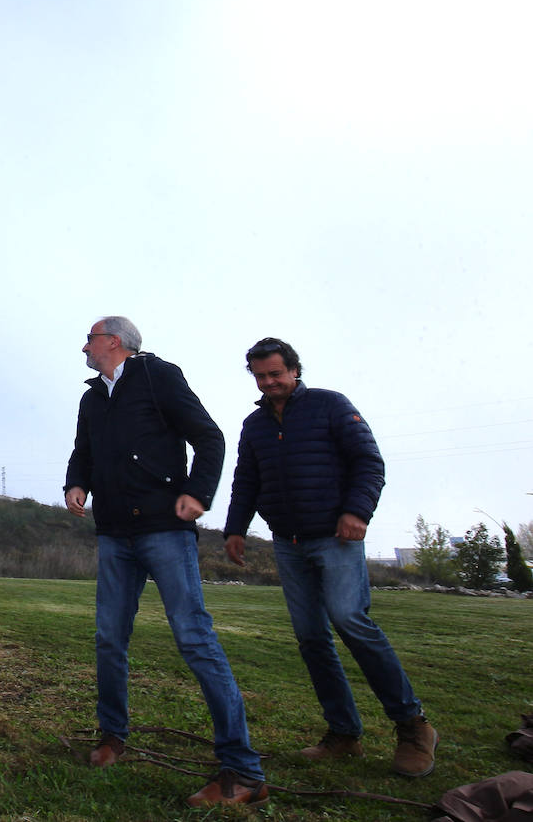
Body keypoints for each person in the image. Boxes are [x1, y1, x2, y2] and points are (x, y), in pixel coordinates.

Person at [64, 316, 266, 808]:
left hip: (164, 531)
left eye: (90, 339)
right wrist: (76, 481)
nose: (83, 347)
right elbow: (83, 451)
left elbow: (210, 438)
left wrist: (198, 493)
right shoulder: (92, 398)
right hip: (115, 534)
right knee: (109, 638)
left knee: (194, 639)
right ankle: (113, 734)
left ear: (114, 342)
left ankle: (242, 770)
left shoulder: (159, 377)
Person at [223, 337, 436, 778]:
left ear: (295, 370)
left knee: (350, 620)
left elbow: (368, 462)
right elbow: (246, 479)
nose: (269, 382)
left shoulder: (331, 405)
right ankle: (343, 733)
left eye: (276, 373)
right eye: (261, 376)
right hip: (289, 542)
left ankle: (413, 726)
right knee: (311, 637)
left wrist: (357, 512)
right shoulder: (254, 424)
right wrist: (235, 530)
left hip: (336, 537)